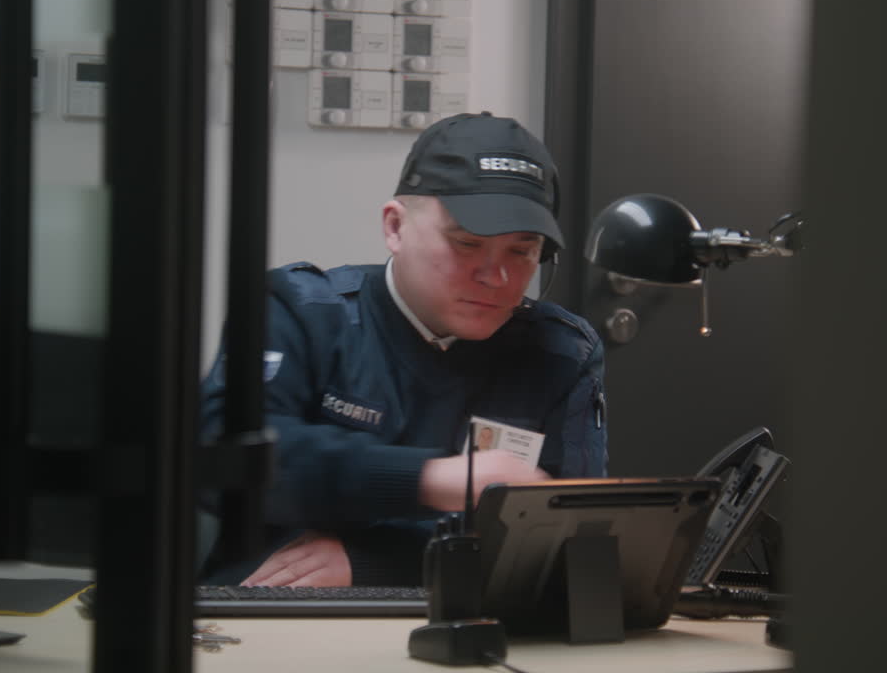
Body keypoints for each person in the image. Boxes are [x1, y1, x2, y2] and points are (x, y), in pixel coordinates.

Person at [198, 112, 608, 587]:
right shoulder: (301, 311)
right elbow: (222, 462)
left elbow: (564, 543)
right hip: (274, 615)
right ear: (395, 227)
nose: (496, 278)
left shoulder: (561, 352)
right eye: (467, 243)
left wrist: (376, 564)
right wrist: (427, 479)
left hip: (470, 624)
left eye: (522, 251)